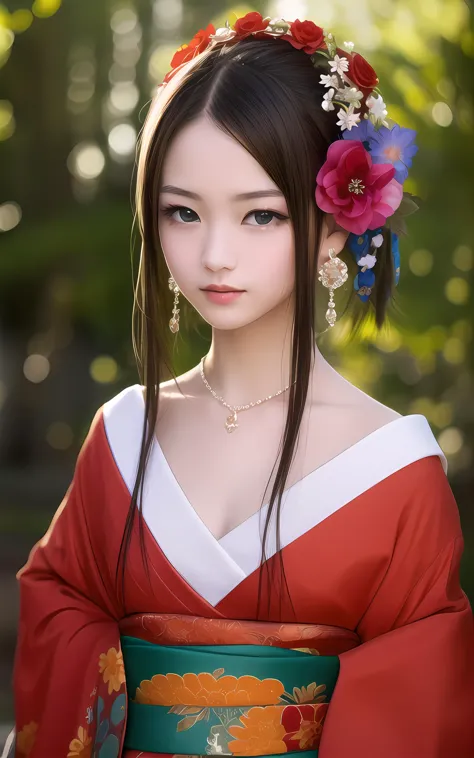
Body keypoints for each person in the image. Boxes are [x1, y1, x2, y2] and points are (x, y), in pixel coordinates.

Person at [7, 11, 474, 758]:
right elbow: (57, 611)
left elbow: (418, 710)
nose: (214, 254)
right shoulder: (123, 436)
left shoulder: (397, 471)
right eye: (183, 212)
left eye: (260, 215)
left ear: (335, 223)